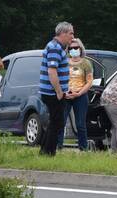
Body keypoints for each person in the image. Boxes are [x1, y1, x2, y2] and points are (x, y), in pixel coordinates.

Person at [38, 22, 74, 156]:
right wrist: (59, 91)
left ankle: (44, 150)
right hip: (53, 92)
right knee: (57, 123)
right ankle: (48, 152)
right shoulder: (54, 48)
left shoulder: (56, 46)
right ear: (63, 33)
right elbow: (52, 71)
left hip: (53, 92)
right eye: (71, 33)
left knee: (55, 121)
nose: (73, 37)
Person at [59, 37, 93, 151]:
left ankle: (83, 148)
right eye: (71, 48)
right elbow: (59, 78)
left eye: (76, 47)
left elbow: (89, 82)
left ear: (80, 48)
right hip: (66, 95)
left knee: (80, 124)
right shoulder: (64, 61)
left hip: (80, 95)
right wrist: (64, 92)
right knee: (61, 122)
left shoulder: (86, 63)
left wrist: (79, 94)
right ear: (68, 49)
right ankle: (58, 147)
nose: (74, 49)